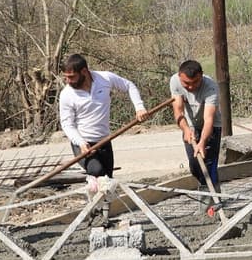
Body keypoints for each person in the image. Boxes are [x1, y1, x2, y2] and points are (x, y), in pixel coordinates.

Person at [58, 53, 150, 195]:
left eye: (71, 77)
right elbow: (67, 124)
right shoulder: (67, 95)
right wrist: (81, 143)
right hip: (82, 143)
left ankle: (104, 216)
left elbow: (129, 86)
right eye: (65, 77)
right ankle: (93, 206)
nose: (68, 81)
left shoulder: (105, 78)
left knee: (108, 181)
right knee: (97, 172)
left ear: (84, 71)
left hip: (104, 140)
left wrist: (139, 107)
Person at [170, 59, 223, 213]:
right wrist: (186, 129)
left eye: (195, 82)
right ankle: (208, 199)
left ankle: (213, 205)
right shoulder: (175, 81)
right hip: (189, 126)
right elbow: (178, 111)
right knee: (195, 165)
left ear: (202, 76)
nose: (191, 87)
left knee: (209, 165)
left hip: (211, 127)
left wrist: (202, 142)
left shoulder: (211, 87)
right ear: (180, 77)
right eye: (187, 83)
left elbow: (209, 119)